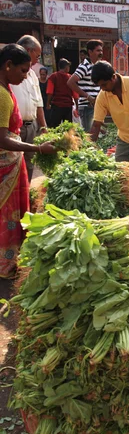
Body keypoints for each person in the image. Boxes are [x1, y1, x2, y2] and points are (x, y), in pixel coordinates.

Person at [0, 44, 55, 277]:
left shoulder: (5, 88)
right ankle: (6, 265)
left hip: (11, 164)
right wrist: (38, 148)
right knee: (8, 215)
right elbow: (2, 138)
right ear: (8, 66)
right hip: (5, 164)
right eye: (23, 70)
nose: (25, 76)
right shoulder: (2, 95)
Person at [10, 35, 48, 182]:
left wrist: (43, 126)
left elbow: (39, 103)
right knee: (12, 163)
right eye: (37, 56)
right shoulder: (10, 72)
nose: (37, 60)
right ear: (28, 50)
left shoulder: (32, 74)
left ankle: (26, 197)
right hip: (13, 127)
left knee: (29, 164)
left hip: (31, 126)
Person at [67, 40, 103, 132]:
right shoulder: (84, 66)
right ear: (90, 52)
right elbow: (70, 82)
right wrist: (87, 96)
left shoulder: (96, 66)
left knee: (94, 133)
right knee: (88, 135)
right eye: (98, 51)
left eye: (101, 51)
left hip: (94, 105)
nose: (100, 53)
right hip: (86, 106)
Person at [46, 58, 79, 128]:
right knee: (67, 129)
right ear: (66, 67)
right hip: (68, 106)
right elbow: (75, 94)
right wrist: (77, 107)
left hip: (56, 106)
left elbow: (50, 92)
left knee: (54, 128)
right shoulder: (71, 78)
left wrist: (48, 104)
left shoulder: (53, 77)